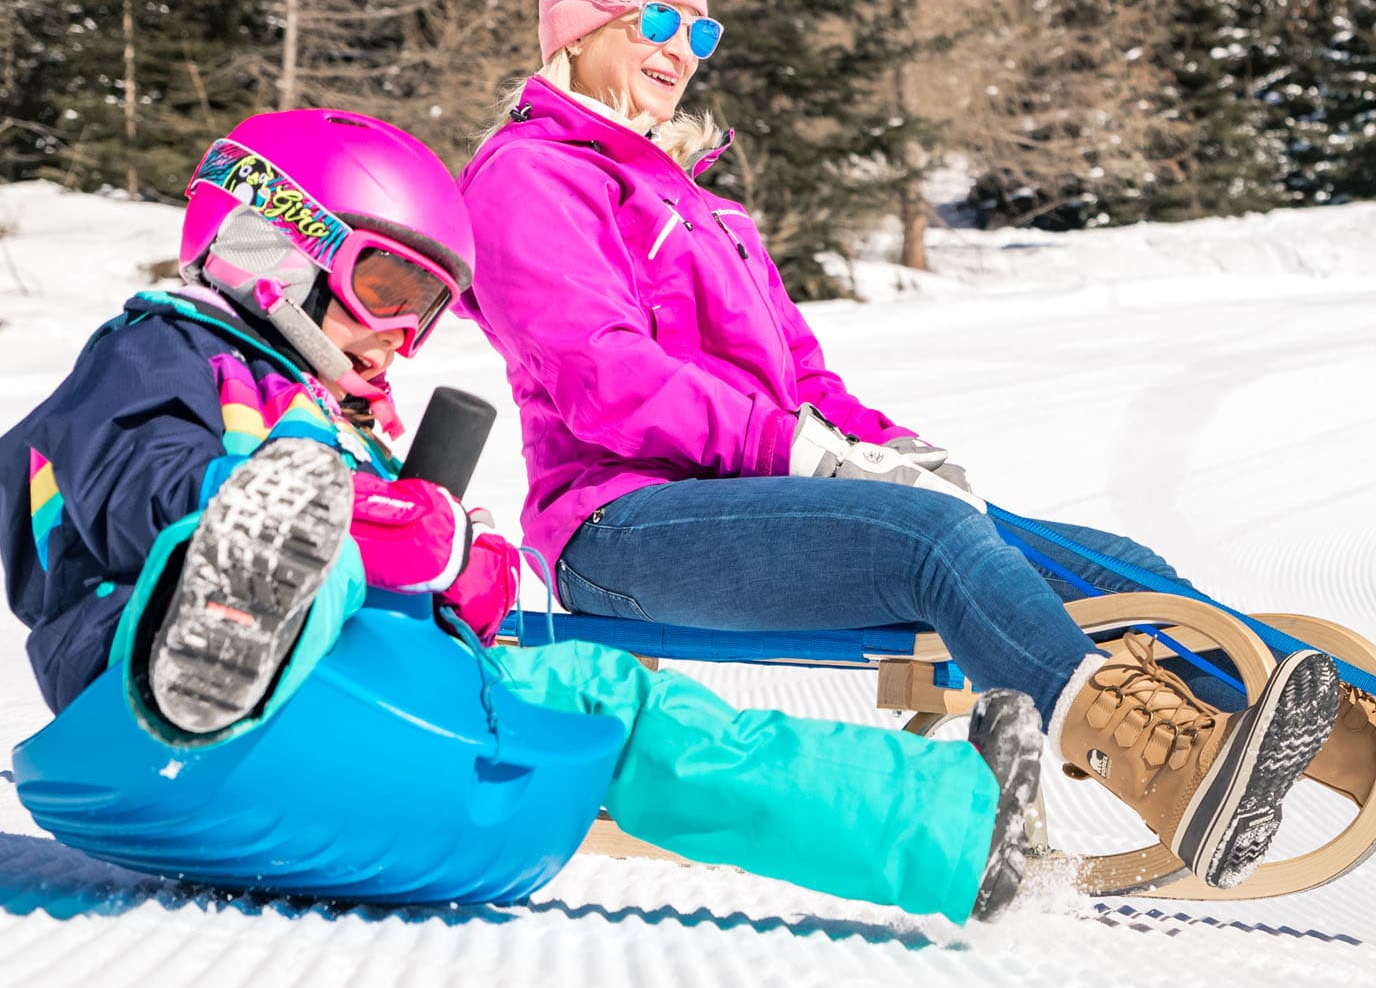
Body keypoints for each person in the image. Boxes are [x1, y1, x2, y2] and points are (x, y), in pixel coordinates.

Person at [460, 0, 1376, 886]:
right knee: (935, 544)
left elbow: (806, 381)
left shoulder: (704, 205)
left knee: (1104, 564)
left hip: (749, 492)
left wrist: (892, 451)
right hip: (620, 527)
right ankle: (1161, 764)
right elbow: (602, 377)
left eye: (699, 30)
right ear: (579, 23)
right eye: (657, 21)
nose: (683, 51)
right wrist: (802, 454)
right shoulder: (531, 178)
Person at [0, 109, 1042, 925]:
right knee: (268, 528)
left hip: (346, 725)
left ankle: (953, 825)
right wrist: (356, 525)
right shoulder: (162, 354)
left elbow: (407, 553)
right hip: (148, 691)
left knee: (617, 700)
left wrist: (457, 569)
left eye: (427, 306)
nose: (400, 333)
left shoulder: (336, 416)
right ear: (271, 241)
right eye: (383, 283)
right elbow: (135, 488)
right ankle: (223, 645)